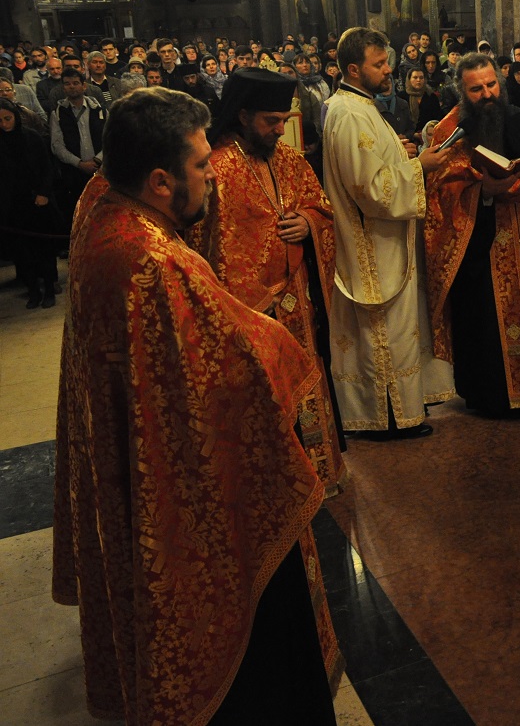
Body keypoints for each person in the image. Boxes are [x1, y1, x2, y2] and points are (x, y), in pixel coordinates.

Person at [52, 86, 341, 725]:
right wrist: (286, 350)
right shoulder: (153, 261)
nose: (213, 178)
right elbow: (238, 360)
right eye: (202, 166)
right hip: (180, 477)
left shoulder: (99, 202)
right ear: (160, 181)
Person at [188, 67, 346, 497]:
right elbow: (202, 242)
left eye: (284, 119)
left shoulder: (291, 161)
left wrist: (308, 222)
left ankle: (318, 474)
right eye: (270, 121)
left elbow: (321, 207)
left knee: (307, 382)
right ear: (242, 115)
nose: (280, 130)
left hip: (299, 302)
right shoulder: (215, 170)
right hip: (249, 310)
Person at [424, 53, 520, 415]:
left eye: (492, 85)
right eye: (477, 89)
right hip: (478, 243)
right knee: (484, 320)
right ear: (462, 91)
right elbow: (437, 192)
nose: (488, 94)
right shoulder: (450, 131)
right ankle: (488, 396)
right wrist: (483, 192)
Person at [322, 27, 455, 438]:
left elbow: (372, 162)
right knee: (383, 332)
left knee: (398, 328)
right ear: (353, 69)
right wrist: (421, 167)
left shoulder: (360, 106)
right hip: (372, 246)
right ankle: (385, 417)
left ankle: (402, 409)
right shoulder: (347, 112)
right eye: (378, 64)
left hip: (386, 241)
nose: (388, 70)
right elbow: (371, 190)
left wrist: (401, 152)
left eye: (386, 62)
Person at [0, 98, 57, 308]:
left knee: (44, 249)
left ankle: (49, 289)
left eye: (8, 118)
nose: (4, 124)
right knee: (22, 252)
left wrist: (44, 193)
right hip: (13, 206)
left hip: (37, 202)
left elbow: (46, 168)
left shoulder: (31, 138)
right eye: (0, 120)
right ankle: (32, 290)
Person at [50, 67, 107, 221]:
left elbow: (111, 139)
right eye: (67, 84)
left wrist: (97, 160)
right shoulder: (58, 113)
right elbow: (57, 146)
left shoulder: (99, 110)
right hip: (73, 172)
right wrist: (80, 164)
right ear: (63, 87)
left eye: (76, 83)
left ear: (84, 86)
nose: (72, 86)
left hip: (100, 169)